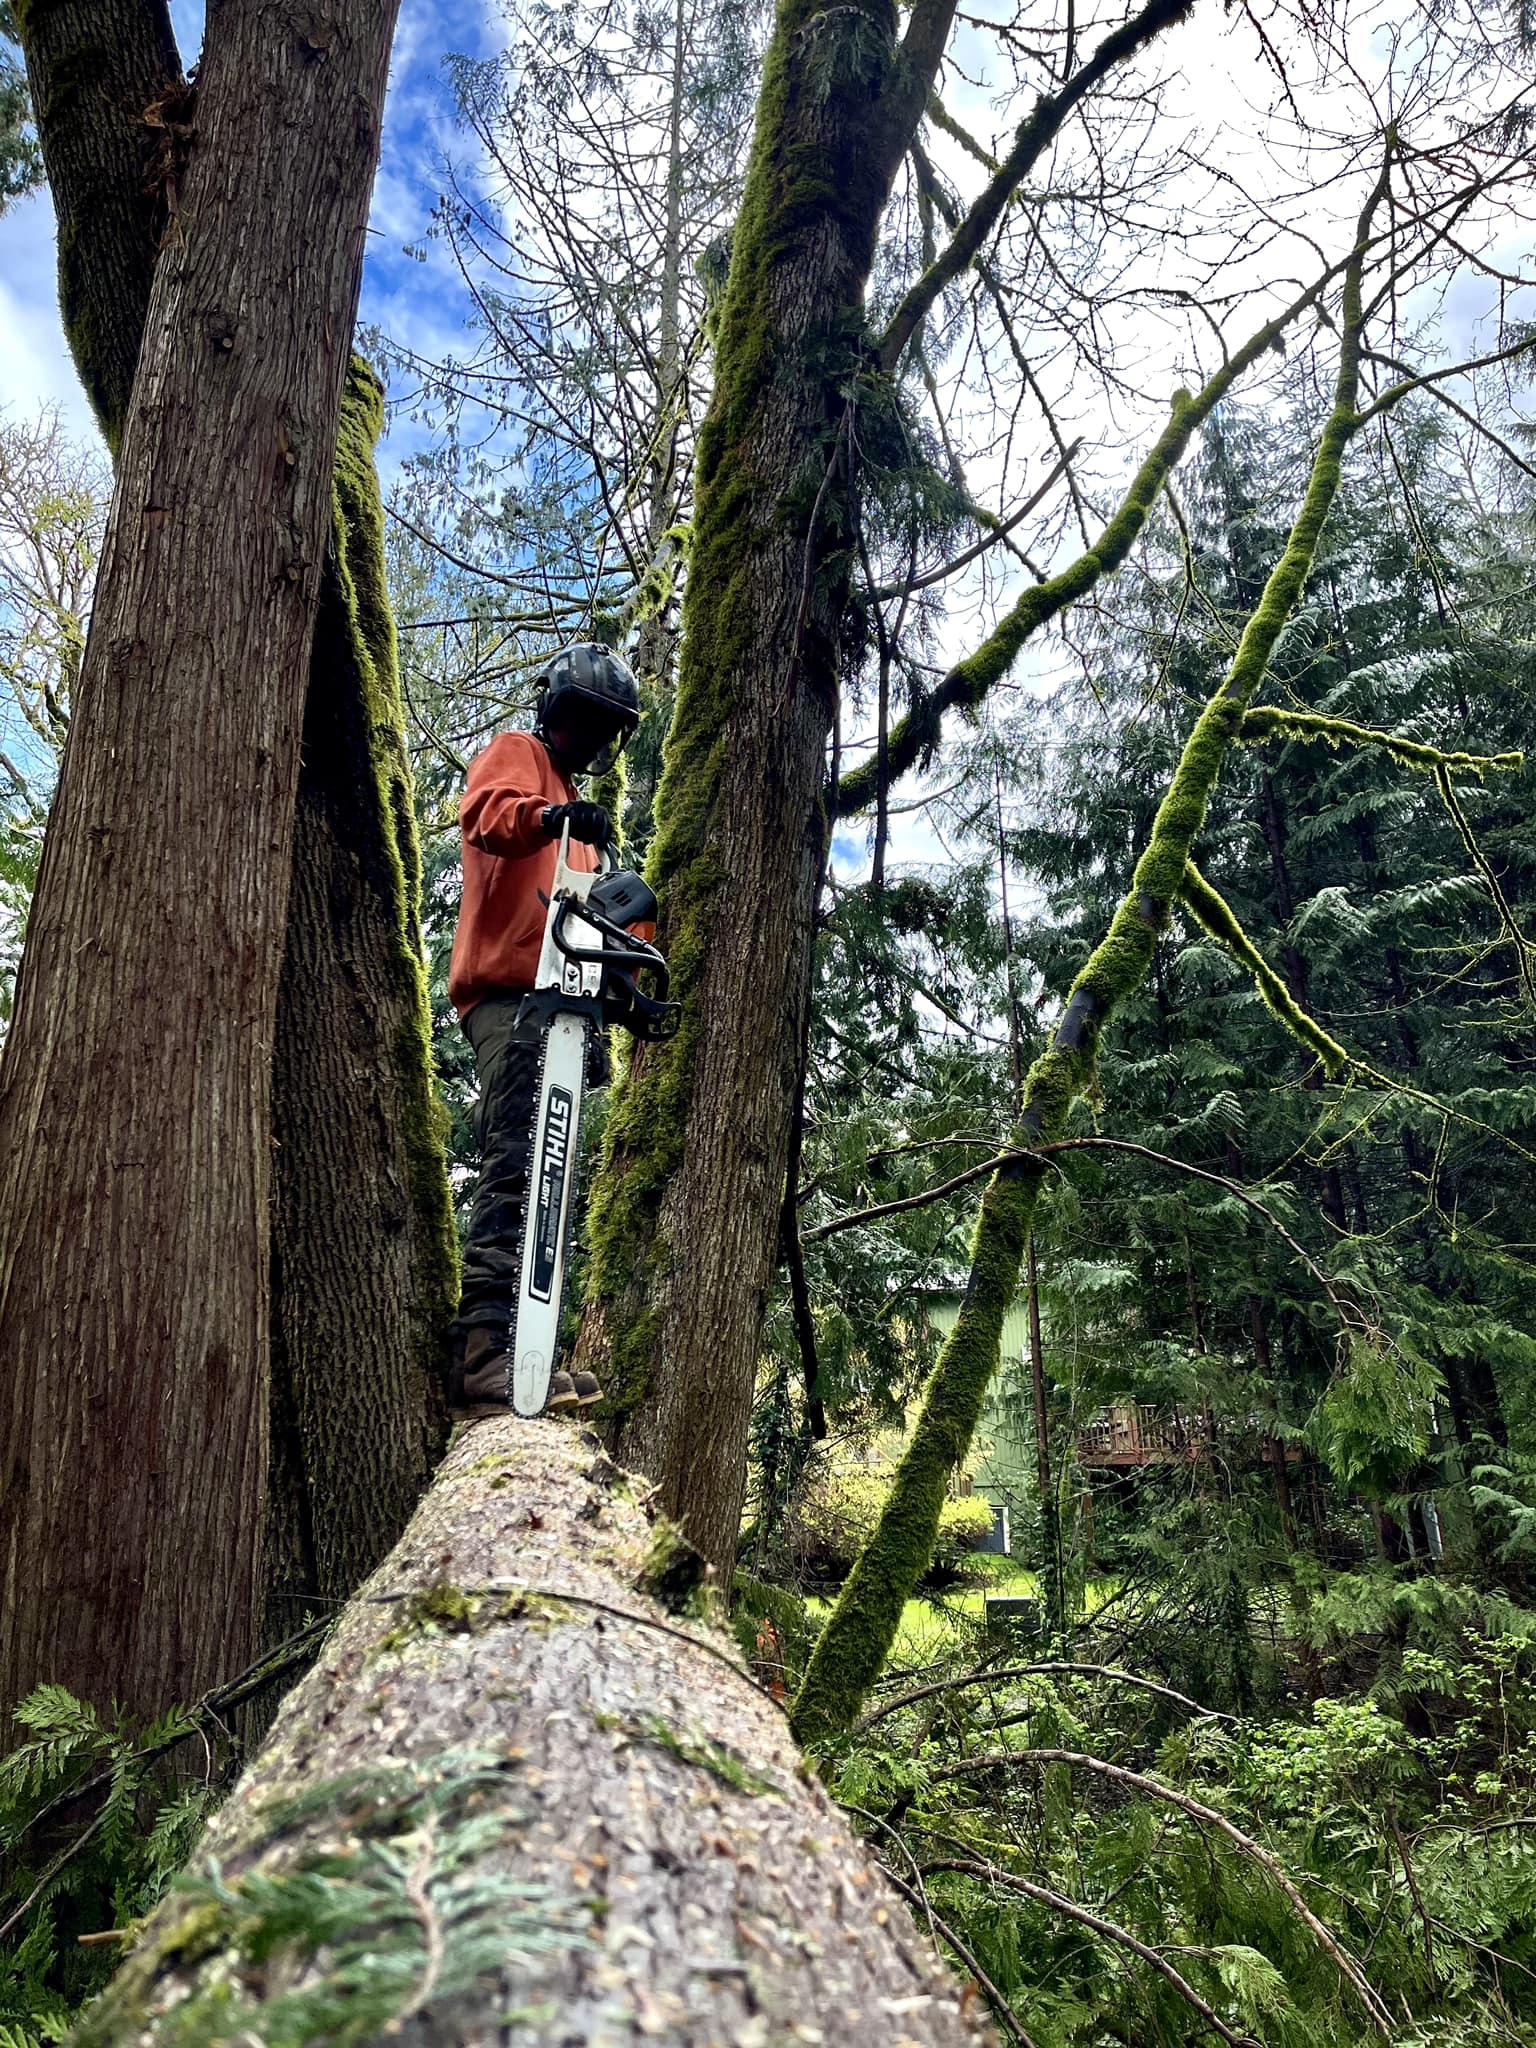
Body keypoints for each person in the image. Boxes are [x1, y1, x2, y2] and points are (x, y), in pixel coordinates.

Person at [446, 642, 640, 1417]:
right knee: (519, 1157)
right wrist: (551, 813)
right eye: (582, 719)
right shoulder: (517, 755)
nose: (589, 739)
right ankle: (485, 1350)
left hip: (563, 1006)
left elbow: (582, 923)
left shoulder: (583, 823)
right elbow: (488, 818)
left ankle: (532, 1344)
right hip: (508, 995)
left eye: (604, 729)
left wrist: (623, 985)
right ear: (555, 710)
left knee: (553, 1173)